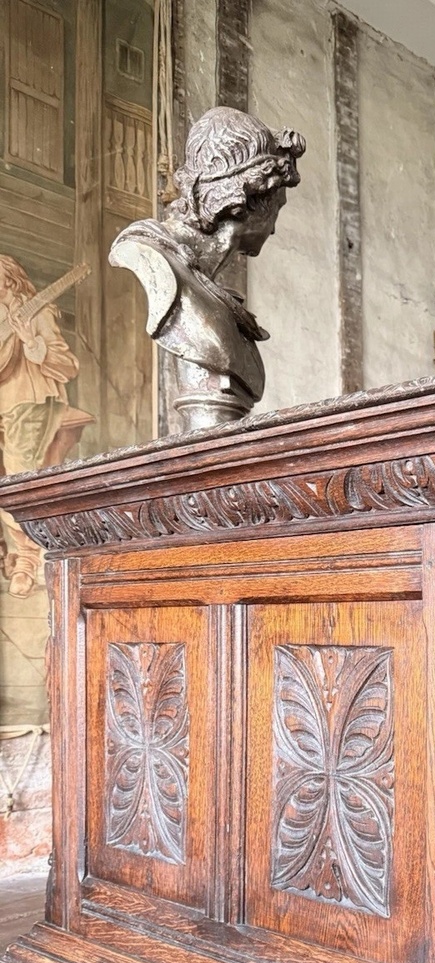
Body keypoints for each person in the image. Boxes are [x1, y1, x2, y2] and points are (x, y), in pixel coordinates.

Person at [110, 107, 305, 427]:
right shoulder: (153, 259)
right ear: (251, 195)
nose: (273, 230)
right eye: (277, 208)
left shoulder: (207, 285)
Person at [0, 255, 80, 597]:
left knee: (16, 480)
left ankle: (28, 559)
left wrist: (33, 342)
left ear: (8, 280)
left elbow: (68, 365)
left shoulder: (37, 311)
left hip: (30, 403)